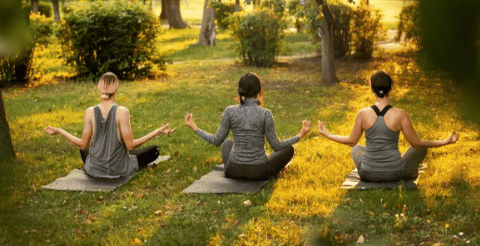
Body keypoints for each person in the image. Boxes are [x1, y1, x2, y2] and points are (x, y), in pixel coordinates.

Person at [317, 70, 459, 182]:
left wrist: (328, 134)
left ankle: (391, 166)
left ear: (372, 89)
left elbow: (351, 141)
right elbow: (417, 143)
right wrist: (445, 141)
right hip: (396, 172)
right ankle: (408, 170)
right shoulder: (400, 114)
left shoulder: (363, 114)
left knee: (355, 148)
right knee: (421, 150)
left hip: (368, 174)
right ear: (390, 88)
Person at [44, 72, 175, 178]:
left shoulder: (89, 112)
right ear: (116, 89)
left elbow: (83, 145)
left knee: (84, 147)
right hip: (119, 169)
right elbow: (130, 145)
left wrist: (60, 130)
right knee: (154, 150)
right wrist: (156, 132)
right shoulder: (122, 112)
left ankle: (98, 163)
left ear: (99, 89)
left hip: (94, 170)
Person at [184, 72, 311, 180]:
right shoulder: (265, 114)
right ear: (260, 91)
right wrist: (300, 135)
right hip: (259, 172)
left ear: (240, 91)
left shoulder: (229, 111)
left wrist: (194, 127)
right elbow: (276, 146)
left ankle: (245, 164)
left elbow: (216, 140)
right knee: (288, 149)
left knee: (227, 143)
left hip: (233, 171)